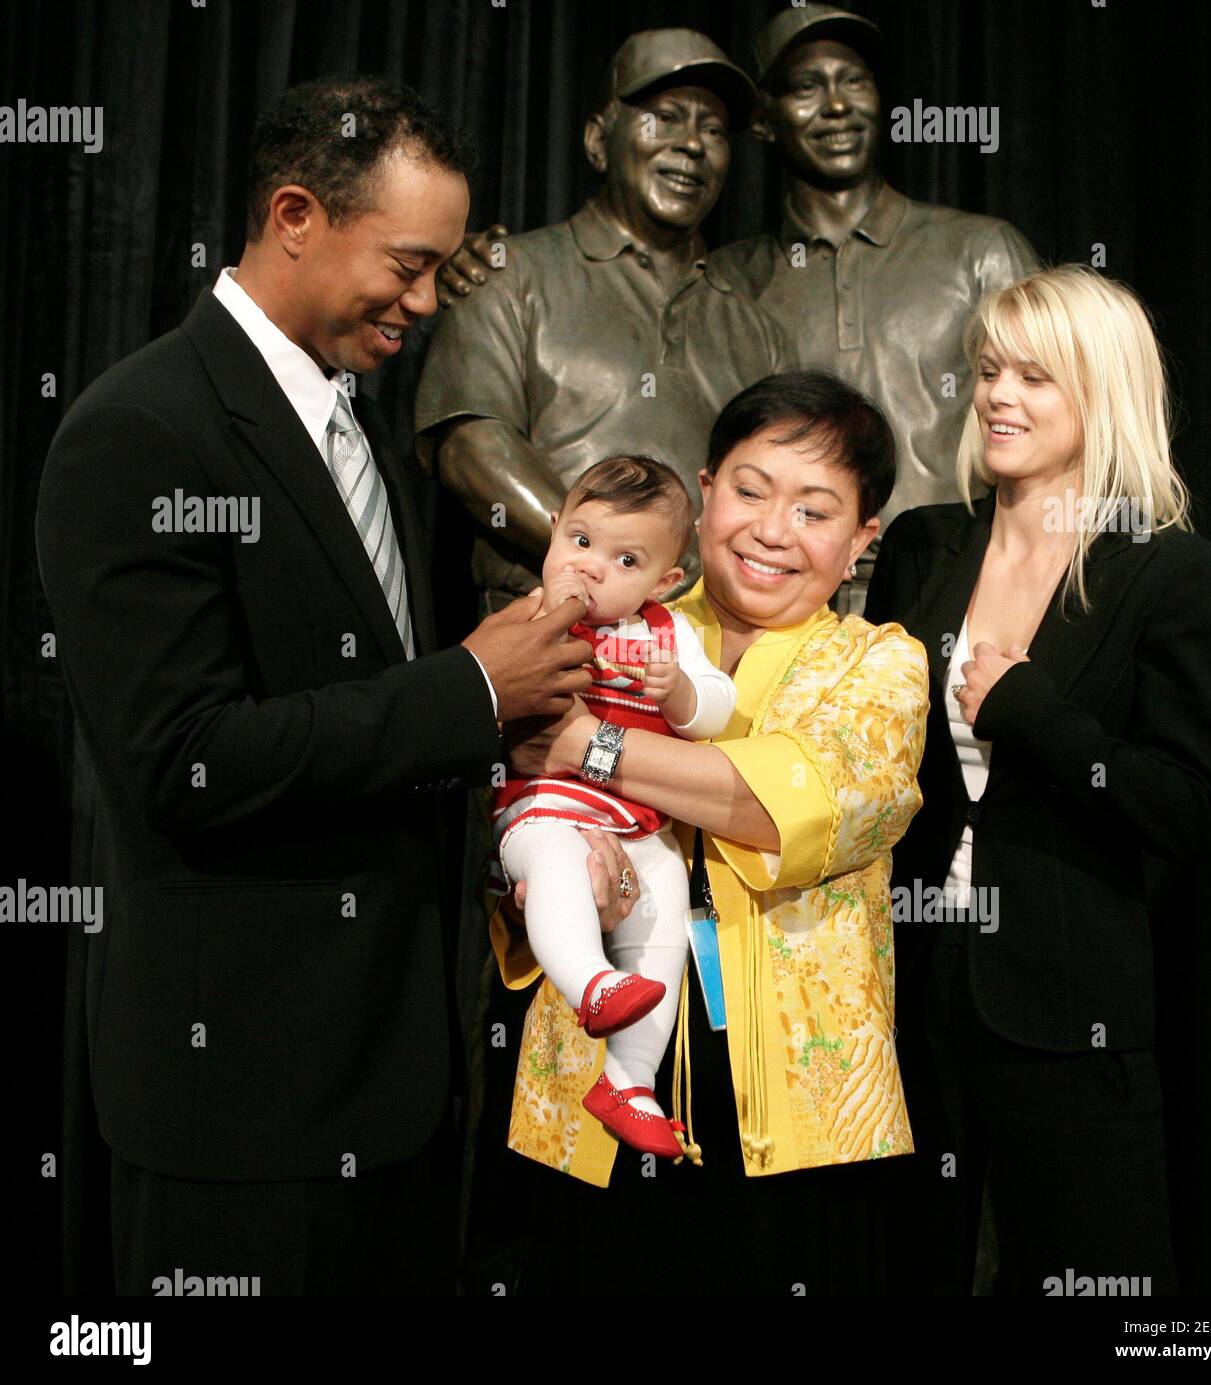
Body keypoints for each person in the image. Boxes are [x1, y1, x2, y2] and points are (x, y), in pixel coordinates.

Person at [34, 75, 642, 1296]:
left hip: (399, 1093)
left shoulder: (346, 418)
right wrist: (471, 690)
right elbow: (185, 759)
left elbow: (352, 711)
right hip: (247, 1111)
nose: (427, 302)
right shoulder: (141, 430)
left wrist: (505, 765)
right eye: (408, 266)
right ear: (295, 214)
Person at [487, 370, 929, 1295]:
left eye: (815, 510)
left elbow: (780, 804)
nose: (772, 530)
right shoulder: (593, 622)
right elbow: (495, 793)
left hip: (798, 1114)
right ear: (704, 495)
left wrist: (582, 744)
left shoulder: (881, 664)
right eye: (750, 490)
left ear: (862, 540)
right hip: (592, 1085)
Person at [864, 265, 1211, 1295]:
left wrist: (1036, 715)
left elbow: (1188, 806)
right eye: (988, 370)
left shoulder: (1169, 572)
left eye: (1034, 376)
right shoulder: (924, 544)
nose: (996, 396)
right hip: (908, 986)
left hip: (1071, 1007)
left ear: (1101, 391)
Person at [415, 27, 792, 613]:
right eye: (665, 117)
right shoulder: (510, 274)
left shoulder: (755, 328)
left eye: (713, 130)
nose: (691, 144)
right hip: (546, 628)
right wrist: (614, 568)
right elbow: (472, 451)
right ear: (597, 140)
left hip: (700, 649)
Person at [714, 4, 1039, 608]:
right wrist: (488, 259)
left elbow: (1056, 424)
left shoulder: (979, 251)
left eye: (854, 80)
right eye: (807, 87)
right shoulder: (726, 279)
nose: (836, 105)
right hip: (784, 606)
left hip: (955, 593)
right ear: (763, 119)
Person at [493, 456, 737, 1159]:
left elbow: (717, 707)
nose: (592, 568)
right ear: (551, 533)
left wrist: (679, 694)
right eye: (580, 541)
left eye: (625, 558)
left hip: (632, 820)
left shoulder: (665, 635)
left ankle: (631, 1081)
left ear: (665, 580)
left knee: (661, 898)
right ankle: (591, 980)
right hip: (543, 807)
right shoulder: (529, 621)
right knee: (558, 858)